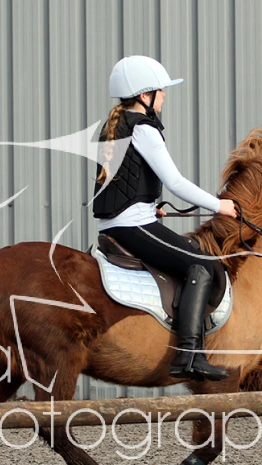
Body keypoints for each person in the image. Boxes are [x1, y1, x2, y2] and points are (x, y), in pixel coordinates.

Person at [93, 55, 238, 382]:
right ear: (145, 95)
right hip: (131, 225)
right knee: (202, 265)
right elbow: (176, 183)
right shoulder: (143, 128)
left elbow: (123, 180)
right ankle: (189, 355)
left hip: (121, 222)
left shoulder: (116, 124)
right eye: (160, 91)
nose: (164, 96)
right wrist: (219, 206)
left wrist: (148, 205)